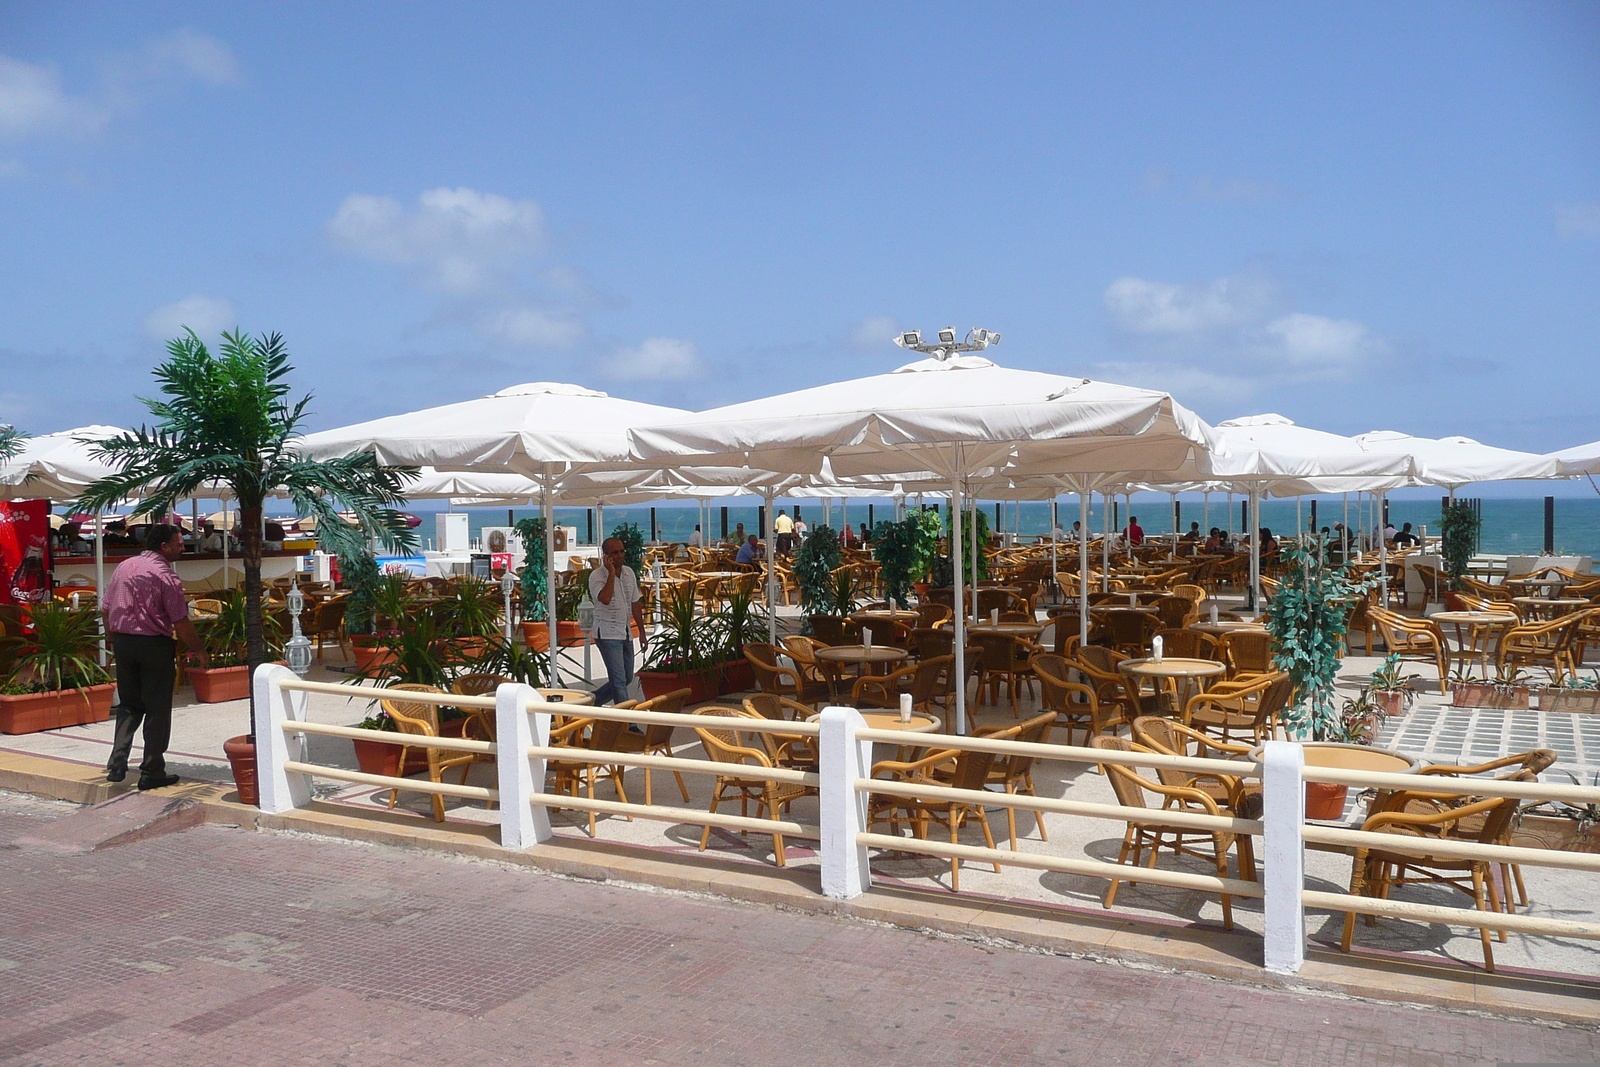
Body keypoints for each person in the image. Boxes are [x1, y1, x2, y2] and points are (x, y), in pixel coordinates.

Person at [102, 524, 209, 789]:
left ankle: (117, 762)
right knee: (157, 709)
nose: (183, 547)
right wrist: (199, 650)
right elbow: (181, 622)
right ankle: (152, 770)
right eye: (179, 543)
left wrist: (112, 637)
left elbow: (105, 607)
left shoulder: (124, 566)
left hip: (124, 643)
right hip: (153, 646)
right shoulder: (166, 576)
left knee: (129, 704)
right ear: (164, 546)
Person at [589, 537, 647, 705]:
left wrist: (642, 633)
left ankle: (590, 702)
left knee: (627, 677)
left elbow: (635, 603)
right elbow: (605, 599)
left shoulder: (629, 573)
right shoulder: (597, 576)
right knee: (619, 681)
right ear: (606, 556)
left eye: (622, 551)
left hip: (625, 632)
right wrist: (612, 573)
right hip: (607, 634)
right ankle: (626, 723)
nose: (620, 555)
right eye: (615, 552)